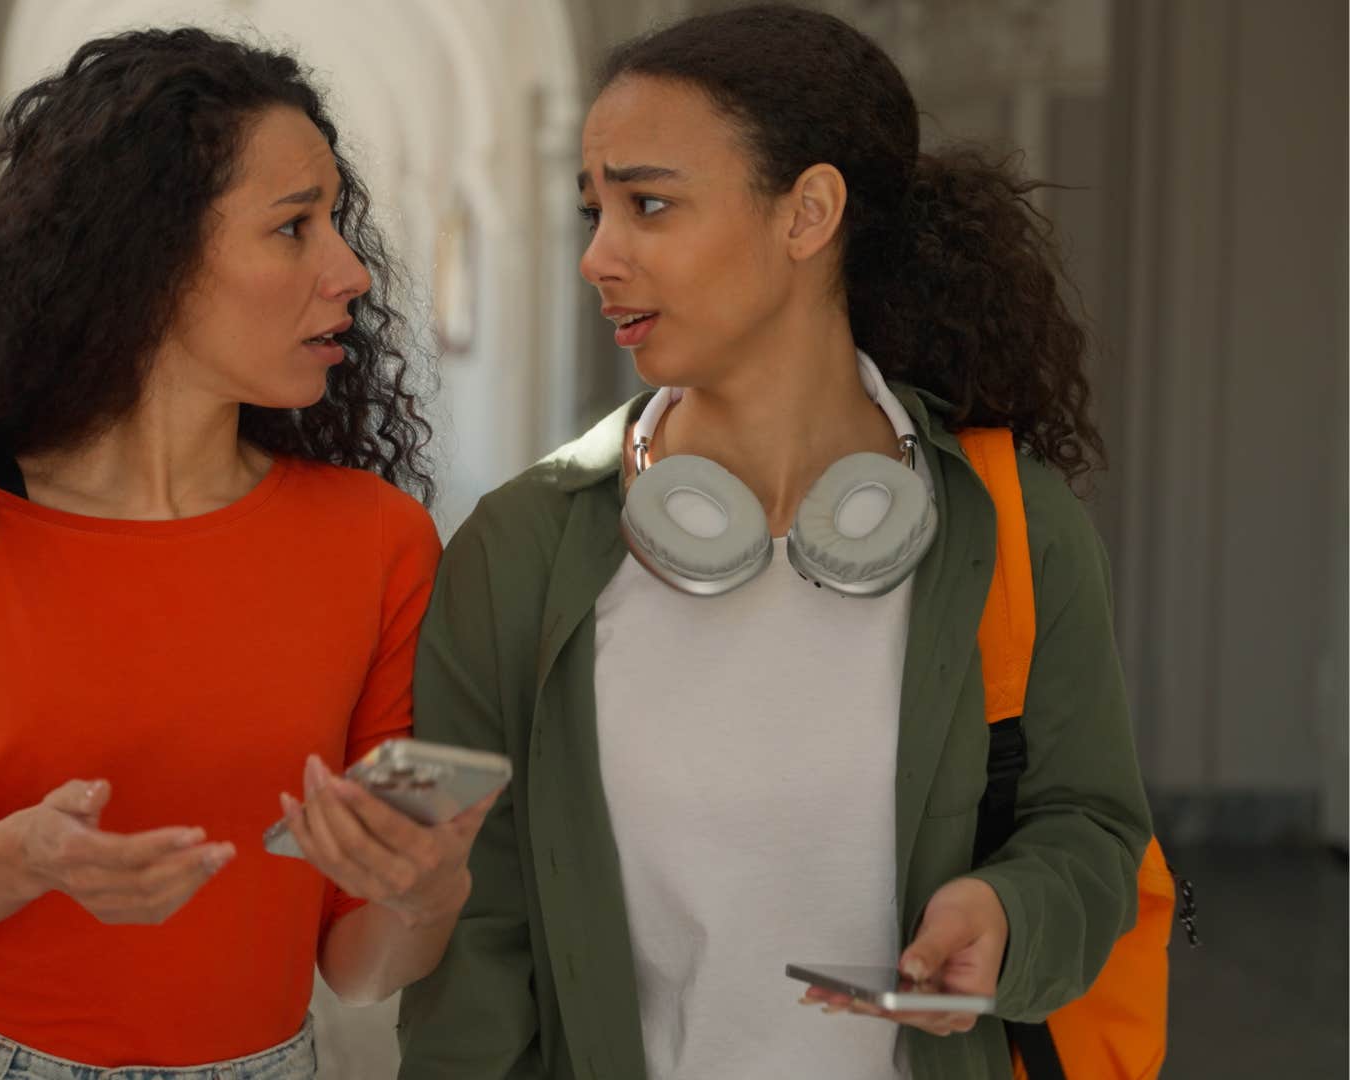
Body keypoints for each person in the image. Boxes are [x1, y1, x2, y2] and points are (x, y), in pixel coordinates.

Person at [397, 6, 1152, 1078]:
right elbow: (479, 936)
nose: (598, 257)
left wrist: (1008, 912)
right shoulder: (524, 546)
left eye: (649, 204)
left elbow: (1089, 828)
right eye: (592, 211)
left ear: (808, 213)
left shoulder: (1010, 525)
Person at [0, 27, 495, 1080]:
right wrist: (17, 863)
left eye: (338, 222)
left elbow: (359, 968)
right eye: (294, 227)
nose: (350, 272)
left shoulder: (377, 542)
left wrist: (427, 891)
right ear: (147, 255)